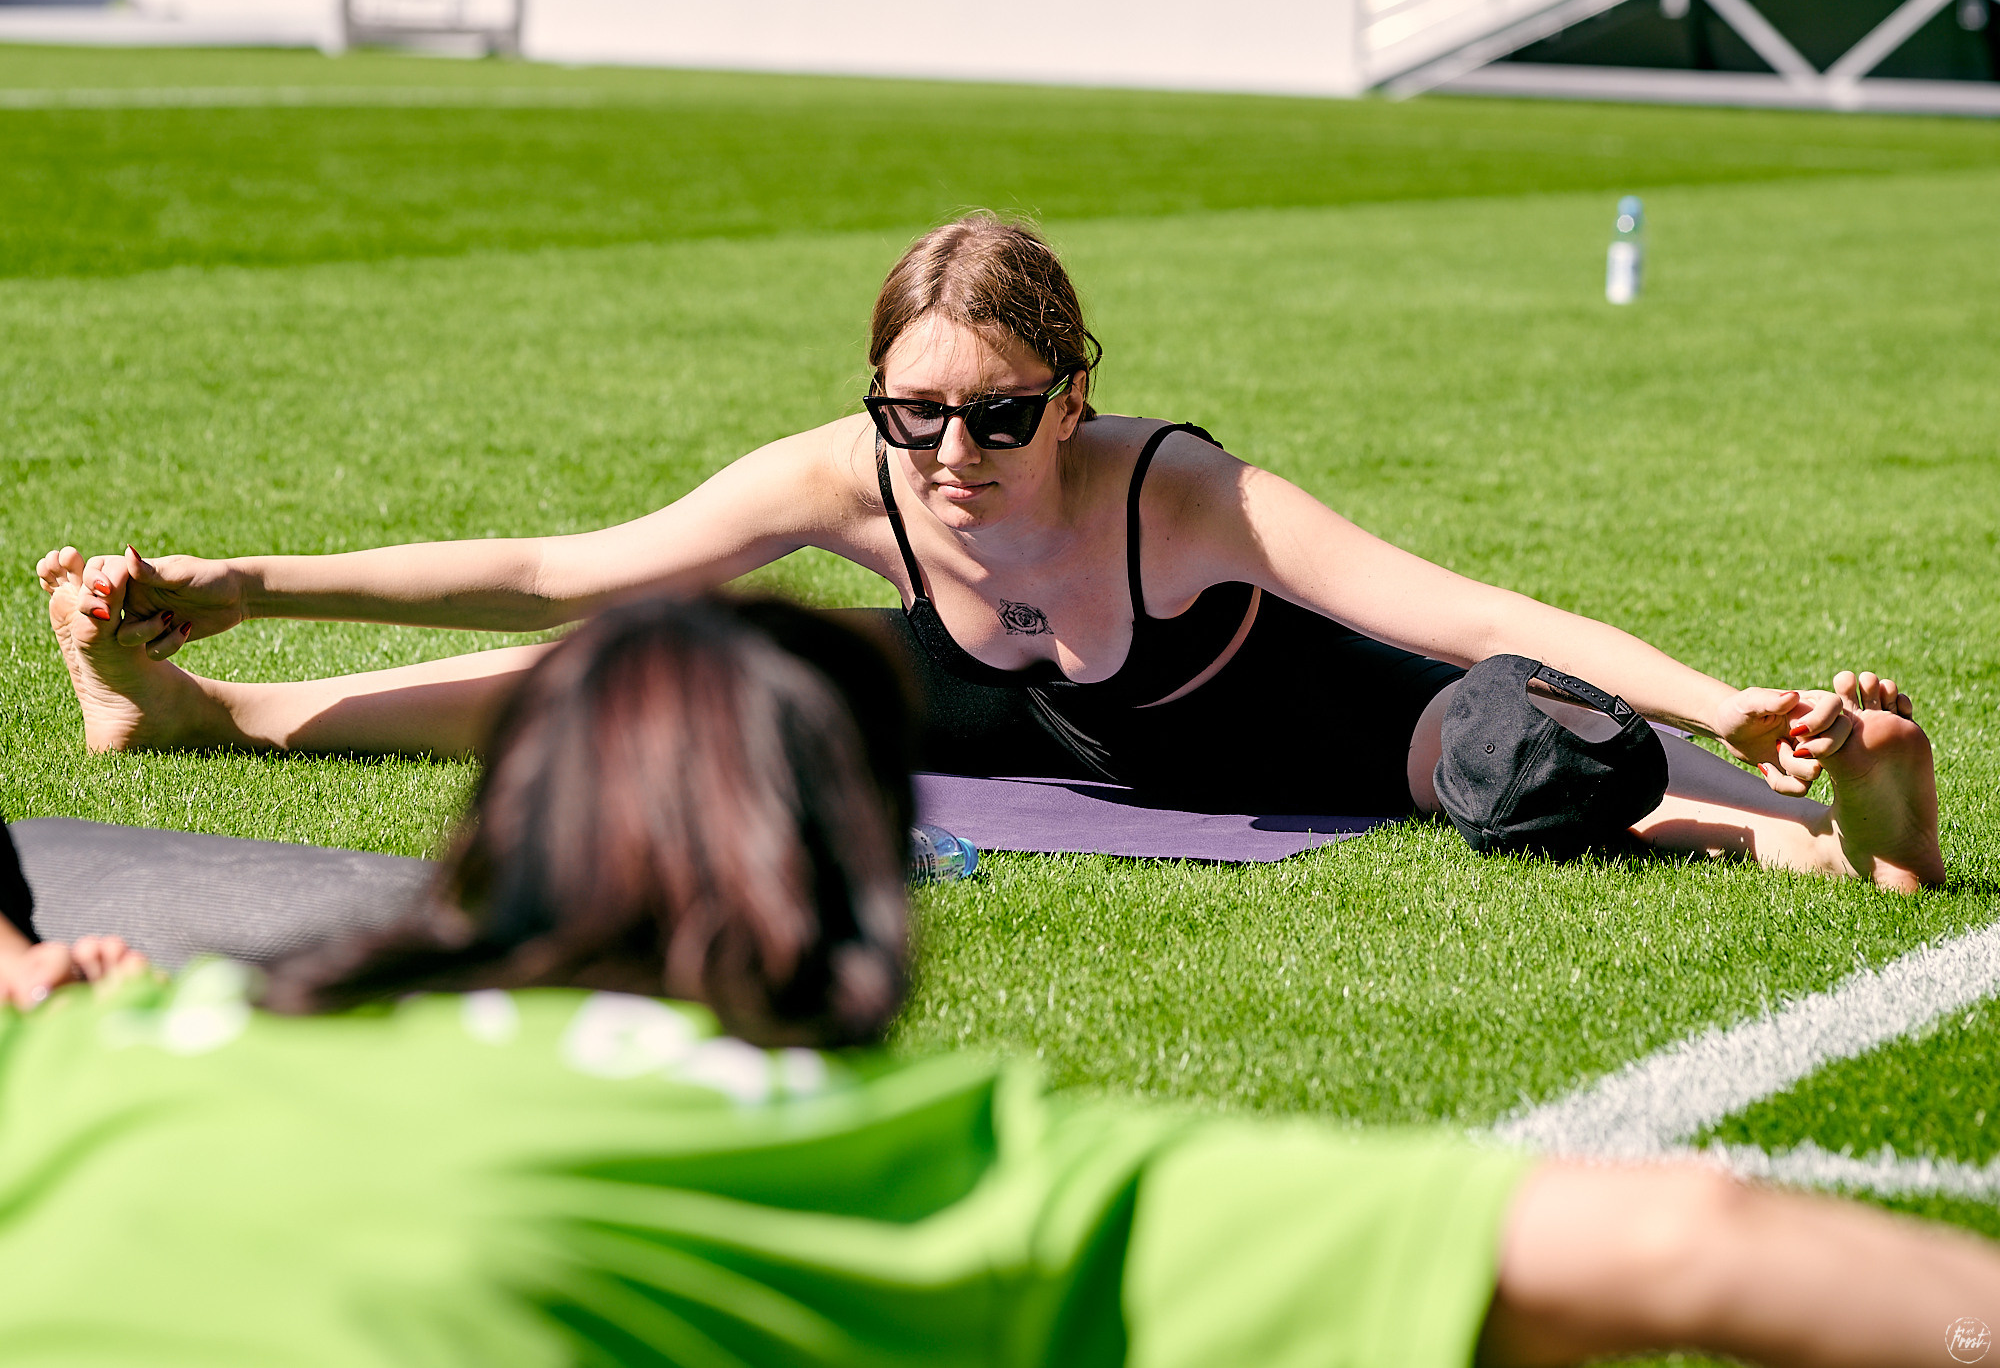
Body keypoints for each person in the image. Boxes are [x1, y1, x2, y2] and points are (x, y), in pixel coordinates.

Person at [4, 590, 1993, 1367]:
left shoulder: (144, 1048)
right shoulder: (909, 1166)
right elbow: (1690, 1241)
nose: (952, 449)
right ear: (858, 888)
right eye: (919, 416)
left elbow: (1431, 599)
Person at [38, 213, 1942, 890]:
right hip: (1012, 713)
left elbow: (1475, 612)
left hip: (1304, 733)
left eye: (999, 412)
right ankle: (201, 714)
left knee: (1554, 764)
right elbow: (568, 568)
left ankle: (1856, 818)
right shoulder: (853, 478)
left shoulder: (1176, 495)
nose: (953, 453)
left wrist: (1731, 709)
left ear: (1074, 389)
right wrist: (242, 582)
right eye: (915, 414)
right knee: (653, 675)